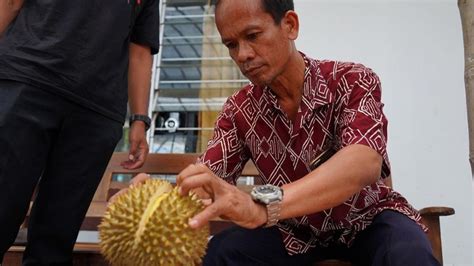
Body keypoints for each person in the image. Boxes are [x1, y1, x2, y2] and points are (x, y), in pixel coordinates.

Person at [127, 0, 438, 265]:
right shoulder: (238, 110)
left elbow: (363, 161)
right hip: (294, 232)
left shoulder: (353, 79)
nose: (242, 55)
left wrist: (264, 206)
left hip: (368, 219)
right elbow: (208, 178)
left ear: (289, 25)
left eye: (252, 35)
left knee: (407, 253)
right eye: (231, 45)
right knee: (221, 254)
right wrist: (155, 198)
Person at [0, 0, 159, 265]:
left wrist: (140, 120)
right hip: (26, 80)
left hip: (98, 111)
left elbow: (140, 48)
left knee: (55, 238)